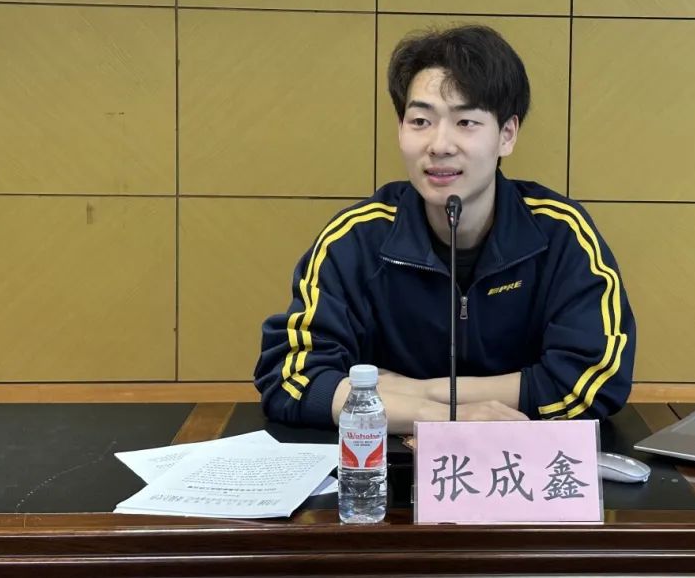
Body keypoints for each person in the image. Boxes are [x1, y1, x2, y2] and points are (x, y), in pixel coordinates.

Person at [254, 24, 636, 433]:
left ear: (507, 135)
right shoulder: (356, 238)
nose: (439, 145)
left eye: (466, 122)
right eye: (420, 121)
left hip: (520, 462)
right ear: (401, 129)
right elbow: (291, 378)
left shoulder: (561, 234)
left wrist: (419, 390)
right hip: (388, 463)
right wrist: (442, 415)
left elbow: (594, 379)